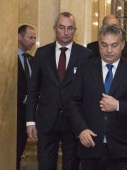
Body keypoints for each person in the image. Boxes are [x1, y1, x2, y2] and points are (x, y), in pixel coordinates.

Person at [67, 24, 127, 169]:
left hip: (123, 148)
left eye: (114, 45)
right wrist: (81, 129)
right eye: (104, 45)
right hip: (90, 146)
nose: (109, 50)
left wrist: (118, 105)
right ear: (98, 44)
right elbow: (73, 102)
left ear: (122, 45)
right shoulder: (84, 69)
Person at [26, 12, 93, 169]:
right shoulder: (41, 53)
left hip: (74, 122)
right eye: (62, 27)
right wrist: (30, 121)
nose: (66, 32)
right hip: (46, 120)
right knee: (45, 164)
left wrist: (86, 123)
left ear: (75, 30)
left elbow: (89, 92)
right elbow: (33, 89)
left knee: (71, 165)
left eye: (70, 28)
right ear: (55, 29)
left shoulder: (86, 55)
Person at [17, 24, 36, 170]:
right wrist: (26, 98)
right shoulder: (7, 59)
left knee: (20, 149)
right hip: (13, 114)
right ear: (19, 37)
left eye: (34, 38)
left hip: (27, 115)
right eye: (30, 37)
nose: (33, 41)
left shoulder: (31, 59)